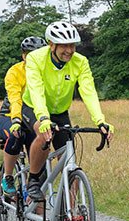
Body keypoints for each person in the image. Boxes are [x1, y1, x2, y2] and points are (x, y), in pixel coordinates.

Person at [22, 21, 114, 202]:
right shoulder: (35, 59)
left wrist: (100, 121)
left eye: (72, 45)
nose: (69, 50)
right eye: (64, 45)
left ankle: (71, 219)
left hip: (60, 112)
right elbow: (36, 91)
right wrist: (43, 118)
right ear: (51, 45)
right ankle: (33, 180)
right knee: (43, 133)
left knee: (70, 163)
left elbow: (88, 91)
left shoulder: (80, 62)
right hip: (33, 107)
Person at [0, 36, 47, 195]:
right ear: (23, 56)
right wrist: (16, 119)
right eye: (31, 54)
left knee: (40, 159)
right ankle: (8, 176)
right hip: (9, 115)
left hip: (32, 119)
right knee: (16, 134)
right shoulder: (15, 71)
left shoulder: (46, 73)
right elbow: (15, 98)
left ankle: (36, 212)